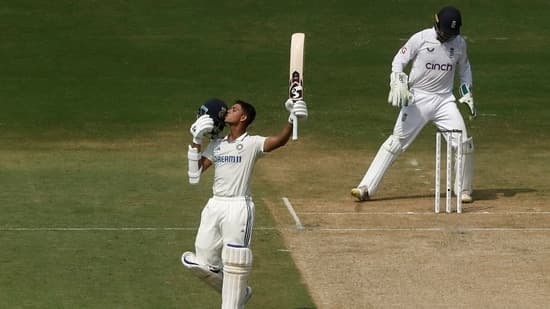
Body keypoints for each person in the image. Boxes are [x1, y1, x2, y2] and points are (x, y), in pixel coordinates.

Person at [181, 97, 308, 308]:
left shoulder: (252, 143)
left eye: (234, 109)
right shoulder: (217, 144)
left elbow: (280, 140)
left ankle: (233, 302)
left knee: (235, 262)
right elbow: (194, 175)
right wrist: (196, 139)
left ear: (243, 117)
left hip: (239, 207)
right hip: (215, 205)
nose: (228, 111)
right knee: (199, 263)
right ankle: (241, 292)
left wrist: (292, 118)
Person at [351, 5, 477, 203]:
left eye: (451, 34)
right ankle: (365, 187)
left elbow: (465, 69)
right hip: (418, 99)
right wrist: (397, 79)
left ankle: (463, 189)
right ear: (436, 24)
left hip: (444, 100)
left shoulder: (459, 44)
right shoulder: (421, 38)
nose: (447, 37)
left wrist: (466, 90)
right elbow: (399, 60)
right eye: (444, 32)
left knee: (463, 143)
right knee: (396, 142)